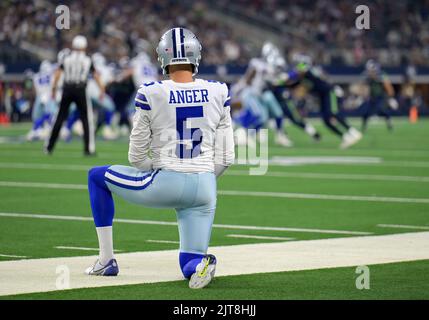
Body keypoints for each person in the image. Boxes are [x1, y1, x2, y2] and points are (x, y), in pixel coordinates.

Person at [86, 28, 235, 289]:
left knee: (96, 177)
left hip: (167, 181)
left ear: (163, 59)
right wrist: (203, 177)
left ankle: (106, 260)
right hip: (206, 188)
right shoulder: (218, 91)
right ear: (196, 56)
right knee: (189, 262)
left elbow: (135, 156)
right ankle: (201, 265)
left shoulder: (151, 92)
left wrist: (161, 171)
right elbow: (227, 156)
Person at [45, 35, 105, 155]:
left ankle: (49, 147)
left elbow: (57, 74)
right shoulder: (87, 58)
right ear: (84, 46)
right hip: (80, 89)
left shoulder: (67, 57)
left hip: (67, 88)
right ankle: (88, 149)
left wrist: (53, 89)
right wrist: (102, 89)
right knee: (86, 119)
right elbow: (96, 75)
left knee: (59, 117)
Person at [361, 59, 398, 132]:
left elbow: (388, 87)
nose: (369, 72)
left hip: (381, 97)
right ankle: (363, 128)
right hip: (372, 97)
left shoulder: (382, 75)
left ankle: (389, 124)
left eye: (370, 70)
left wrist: (391, 98)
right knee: (366, 112)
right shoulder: (368, 77)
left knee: (382, 110)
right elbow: (365, 87)